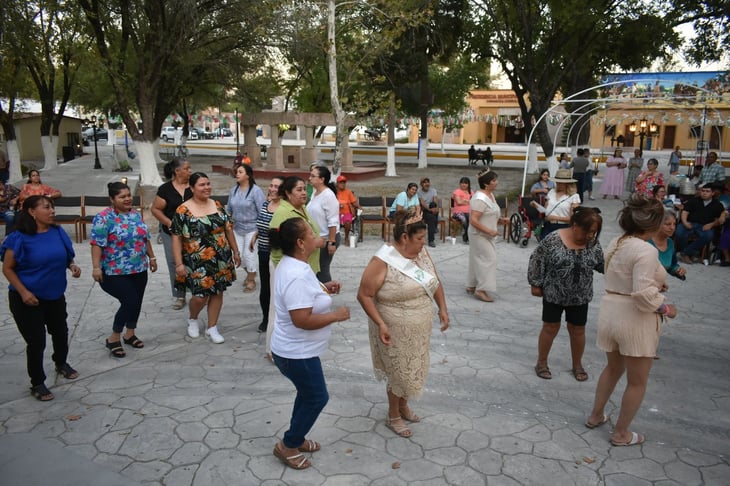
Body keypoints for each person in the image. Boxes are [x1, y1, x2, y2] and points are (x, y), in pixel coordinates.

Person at [586, 196, 677, 447]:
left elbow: (628, 276)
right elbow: (642, 293)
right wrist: (667, 308)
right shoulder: (645, 249)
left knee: (612, 368)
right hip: (634, 317)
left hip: (611, 310)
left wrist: (656, 281)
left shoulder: (618, 241)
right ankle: (621, 433)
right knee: (637, 381)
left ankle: (595, 415)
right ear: (654, 223)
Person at [357, 207, 449, 438]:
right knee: (399, 371)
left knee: (413, 367)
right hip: (393, 327)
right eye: (419, 239)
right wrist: (380, 323)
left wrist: (443, 309)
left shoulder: (420, 253)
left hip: (419, 328)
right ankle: (393, 414)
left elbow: (434, 281)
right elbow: (364, 295)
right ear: (404, 237)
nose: (423, 244)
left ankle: (404, 405)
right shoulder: (383, 259)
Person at [270, 217, 350, 470]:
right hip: (296, 353)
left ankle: (296, 435)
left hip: (299, 351)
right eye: (311, 232)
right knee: (317, 397)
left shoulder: (297, 264)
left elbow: (305, 296)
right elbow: (301, 319)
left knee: (307, 394)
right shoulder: (295, 274)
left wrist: (323, 289)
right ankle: (288, 445)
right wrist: (335, 316)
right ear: (301, 243)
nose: (318, 234)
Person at [1, 196, 81, 401]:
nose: (52, 211)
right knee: (36, 341)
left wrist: (71, 266)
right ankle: (37, 382)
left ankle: (61, 362)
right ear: (31, 212)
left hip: (54, 294)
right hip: (27, 299)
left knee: (60, 332)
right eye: (46, 208)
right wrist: (24, 292)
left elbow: (65, 256)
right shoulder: (18, 237)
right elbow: (8, 269)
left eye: (52, 207)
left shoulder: (57, 232)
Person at [528, 207, 604, 381]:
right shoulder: (553, 239)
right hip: (554, 293)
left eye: (594, 232)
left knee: (578, 330)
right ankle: (542, 362)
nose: (590, 235)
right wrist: (535, 283)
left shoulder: (593, 243)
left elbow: (601, 264)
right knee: (550, 327)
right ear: (575, 225)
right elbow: (537, 259)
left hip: (580, 295)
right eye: (588, 231)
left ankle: (577, 364)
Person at [171, 172, 241, 343]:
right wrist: (179, 263)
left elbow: (228, 229)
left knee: (218, 292)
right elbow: (176, 238)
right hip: (197, 261)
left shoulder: (217, 205)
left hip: (221, 258)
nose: (207, 187)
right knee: (200, 296)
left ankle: (212, 327)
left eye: (208, 184)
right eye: (202, 185)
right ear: (192, 188)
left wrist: (236, 251)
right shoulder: (183, 210)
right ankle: (193, 318)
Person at [91, 182, 157, 358]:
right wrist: (96, 267)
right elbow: (97, 243)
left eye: (129, 195)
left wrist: (152, 257)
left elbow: (145, 238)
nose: (128, 199)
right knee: (130, 301)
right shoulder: (103, 218)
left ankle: (130, 334)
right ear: (112, 199)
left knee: (137, 301)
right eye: (122, 196)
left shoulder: (135, 215)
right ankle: (114, 338)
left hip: (139, 268)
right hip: (114, 271)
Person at [267, 176, 326, 358]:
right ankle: (272, 349)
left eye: (304, 189)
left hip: (304, 266)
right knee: (278, 311)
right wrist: (316, 243)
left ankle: (294, 345)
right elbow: (277, 245)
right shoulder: (284, 213)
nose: (303, 193)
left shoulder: (301, 209)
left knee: (299, 307)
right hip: (286, 269)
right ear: (287, 193)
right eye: (299, 190)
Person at [151, 157, 192, 310]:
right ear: (177, 171)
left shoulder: (193, 186)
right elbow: (155, 209)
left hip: (191, 234)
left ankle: (198, 291)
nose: (190, 171)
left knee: (193, 261)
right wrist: (169, 222)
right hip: (170, 233)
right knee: (175, 263)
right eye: (187, 168)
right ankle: (180, 295)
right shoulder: (165, 189)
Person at [466, 170, 509, 302]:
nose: (497, 183)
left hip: (485, 234)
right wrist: (489, 231)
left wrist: (501, 220)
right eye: (494, 181)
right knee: (489, 259)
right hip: (479, 234)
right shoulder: (480, 199)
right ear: (486, 183)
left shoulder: (490, 196)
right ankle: (481, 289)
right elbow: (473, 220)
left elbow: (489, 214)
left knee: (476, 258)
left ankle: (471, 285)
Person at [228, 163, 265, 293]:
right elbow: (229, 210)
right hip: (237, 227)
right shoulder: (233, 191)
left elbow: (262, 210)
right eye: (236, 172)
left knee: (248, 255)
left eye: (240, 172)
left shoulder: (256, 191)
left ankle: (251, 279)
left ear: (247, 175)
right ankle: (251, 272)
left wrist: (260, 230)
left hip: (252, 228)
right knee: (237, 256)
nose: (237, 174)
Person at [253, 176, 284, 333]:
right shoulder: (266, 204)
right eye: (271, 185)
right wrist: (255, 235)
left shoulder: (285, 208)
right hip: (263, 252)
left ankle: (279, 319)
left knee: (277, 288)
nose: (272, 189)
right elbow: (262, 225)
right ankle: (266, 318)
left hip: (278, 255)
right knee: (265, 288)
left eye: (276, 187)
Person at [674, 183, 726, 263]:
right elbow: (685, 212)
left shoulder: (717, 205)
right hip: (690, 222)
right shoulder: (693, 201)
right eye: (703, 191)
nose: (704, 193)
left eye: (707, 191)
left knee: (708, 236)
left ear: (712, 193)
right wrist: (685, 222)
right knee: (679, 233)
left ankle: (685, 253)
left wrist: (711, 224)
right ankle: (689, 253)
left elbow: (719, 220)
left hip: (704, 225)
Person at [307, 165, 340, 282]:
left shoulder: (328, 196)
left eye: (313, 176)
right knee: (315, 268)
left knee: (322, 269)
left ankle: (326, 294)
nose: (309, 178)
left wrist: (332, 242)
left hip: (327, 239)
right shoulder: (315, 193)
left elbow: (333, 221)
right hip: (316, 238)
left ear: (322, 179)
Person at [534, 169, 581, 238]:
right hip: (547, 226)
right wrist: (536, 206)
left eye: (562, 182)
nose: (559, 184)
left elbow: (573, 218)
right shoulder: (551, 192)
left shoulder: (574, 197)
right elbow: (546, 210)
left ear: (568, 183)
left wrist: (554, 217)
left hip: (563, 228)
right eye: (557, 182)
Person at [648, 211, 687, 280]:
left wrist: (677, 270)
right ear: (658, 224)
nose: (672, 228)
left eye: (674, 224)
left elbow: (672, 265)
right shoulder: (646, 242)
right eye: (668, 224)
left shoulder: (670, 243)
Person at [335, 175, 359, 245]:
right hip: (336, 213)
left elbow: (354, 202)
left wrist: (358, 206)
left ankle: (346, 238)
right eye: (341, 182)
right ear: (337, 183)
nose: (343, 184)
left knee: (348, 221)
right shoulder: (334, 192)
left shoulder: (348, 192)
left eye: (344, 182)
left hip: (347, 213)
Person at [417, 177, 439, 248]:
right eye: (424, 182)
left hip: (433, 210)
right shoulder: (419, 192)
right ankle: (432, 238)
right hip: (424, 211)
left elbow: (435, 200)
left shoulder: (433, 190)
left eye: (428, 182)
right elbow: (422, 203)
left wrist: (434, 208)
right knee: (432, 217)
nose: (427, 184)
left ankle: (431, 240)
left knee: (433, 208)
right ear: (421, 184)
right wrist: (430, 210)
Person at [451, 177, 473, 243]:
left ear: (468, 184)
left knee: (472, 220)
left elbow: (474, 201)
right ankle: (466, 237)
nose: (464, 184)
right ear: (460, 184)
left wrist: (463, 200)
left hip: (469, 212)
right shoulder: (457, 192)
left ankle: (468, 237)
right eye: (462, 183)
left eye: (465, 183)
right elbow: (459, 202)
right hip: (458, 213)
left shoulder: (471, 192)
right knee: (464, 220)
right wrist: (468, 201)